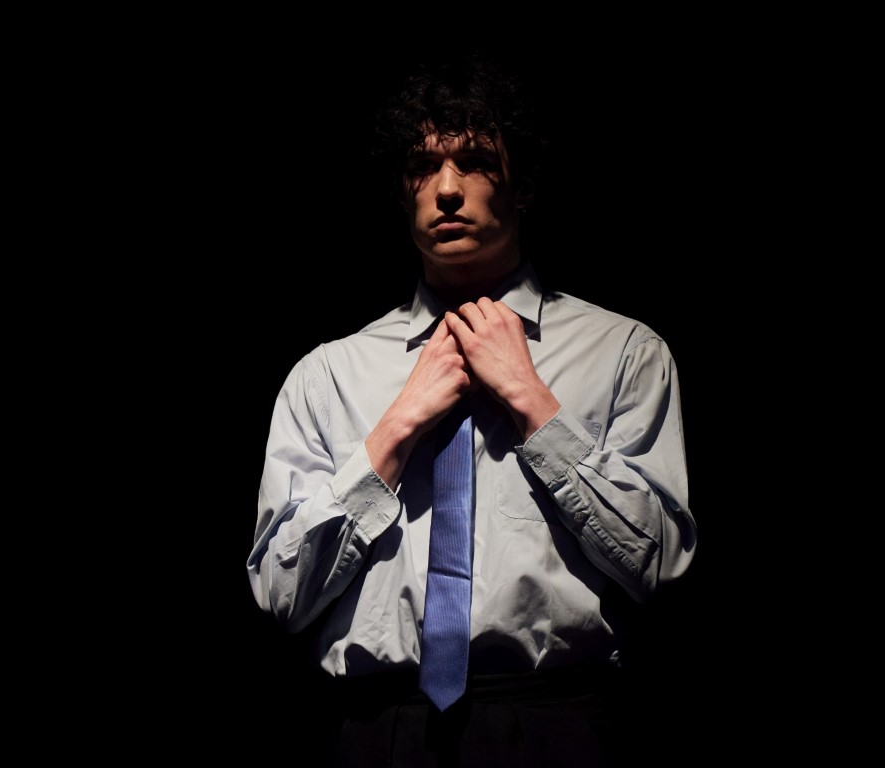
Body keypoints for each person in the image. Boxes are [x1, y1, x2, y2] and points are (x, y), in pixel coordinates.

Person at [246, 55, 698, 767]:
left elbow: (662, 566)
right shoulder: (326, 374)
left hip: (559, 727)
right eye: (423, 166)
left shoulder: (623, 353)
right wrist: (396, 427)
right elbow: (280, 594)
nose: (448, 190)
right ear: (401, 191)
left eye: (477, 162)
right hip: (378, 734)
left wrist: (532, 401)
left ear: (525, 184)